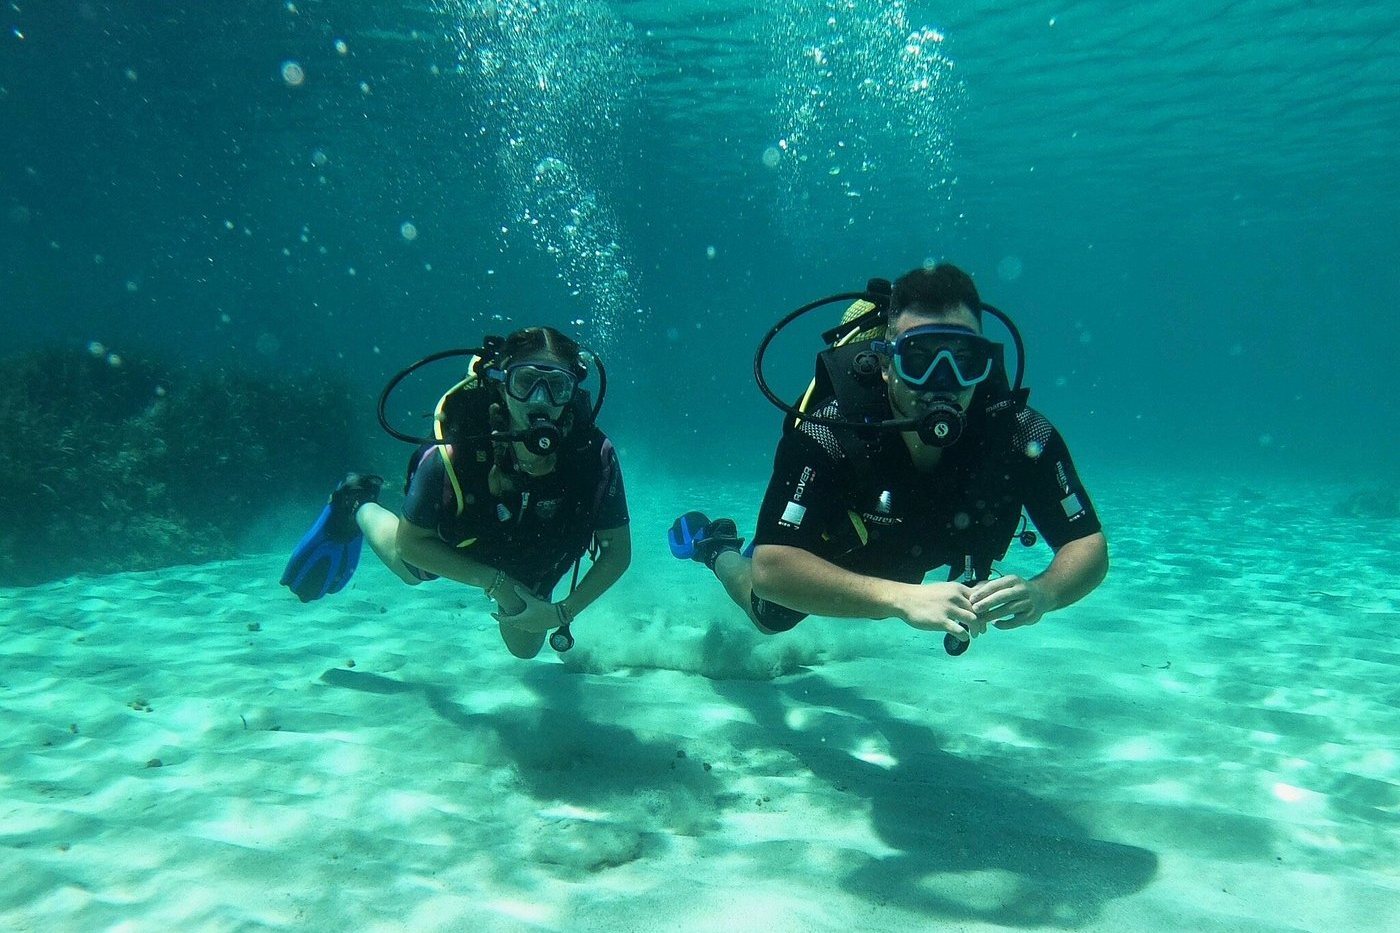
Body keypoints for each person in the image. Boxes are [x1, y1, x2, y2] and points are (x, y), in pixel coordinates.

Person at [669, 264, 1106, 650]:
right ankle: (717, 549)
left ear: (984, 364)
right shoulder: (829, 432)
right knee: (769, 615)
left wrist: (1044, 593)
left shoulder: (1021, 434)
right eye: (920, 359)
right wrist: (900, 598)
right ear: (884, 364)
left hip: (931, 541)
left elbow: (1087, 544)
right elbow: (772, 568)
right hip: (851, 542)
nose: (944, 382)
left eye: (963, 361)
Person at [282, 325, 631, 659]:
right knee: (410, 570)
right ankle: (357, 500)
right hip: (473, 532)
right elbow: (410, 542)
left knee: (525, 648)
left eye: (557, 386)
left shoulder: (593, 455)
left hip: (534, 541)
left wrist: (560, 613)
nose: (540, 400)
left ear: (572, 394)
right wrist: (495, 583)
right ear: (502, 385)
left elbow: (617, 552)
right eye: (525, 382)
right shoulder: (457, 449)